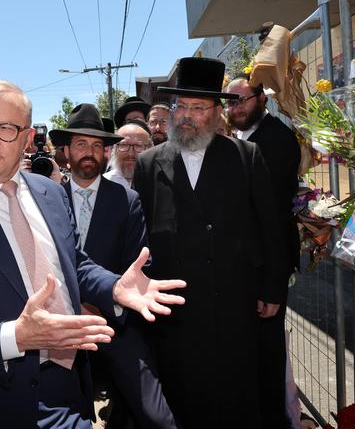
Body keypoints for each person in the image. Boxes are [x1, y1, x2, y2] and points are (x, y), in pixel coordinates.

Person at [0, 78, 186, 429]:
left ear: (28, 138)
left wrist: (112, 287)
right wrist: (13, 337)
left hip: (69, 388)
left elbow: (73, 263)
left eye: (6, 128)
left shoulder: (51, 193)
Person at [132, 57, 288, 428]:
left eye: (198, 108)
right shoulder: (150, 163)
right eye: (180, 106)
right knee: (183, 395)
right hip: (176, 308)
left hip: (234, 301)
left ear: (218, 112)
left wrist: (272, 288)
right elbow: (142, 235)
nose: (186, 115)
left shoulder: (245, 157)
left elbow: (270, 227)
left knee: (236, 395)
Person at [53, 104, 177, 429]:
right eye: (81, 144)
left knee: (155, 414)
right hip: (62, 329)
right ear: (65, 150)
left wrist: (107, 304)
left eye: (97, 146)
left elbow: (139, 264)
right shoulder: (47, 200)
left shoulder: (126, 200)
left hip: (118, 325)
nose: (90, 153)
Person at [226, 76, 301, 429]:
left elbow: (267, 216)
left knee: (268, 354)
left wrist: (271, 283)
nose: (235, 108)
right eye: (230, 102)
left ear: (261, 99)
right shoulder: (236, 139)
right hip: (241, 268)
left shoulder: (277, 139)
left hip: (267, 266)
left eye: (241, 100)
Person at [104, 119, 153, 188]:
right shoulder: (104, 183)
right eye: (124, 145)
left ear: (150, 149)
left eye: (138, 146)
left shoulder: (159, 183)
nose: (131, 153)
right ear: (114, 149)